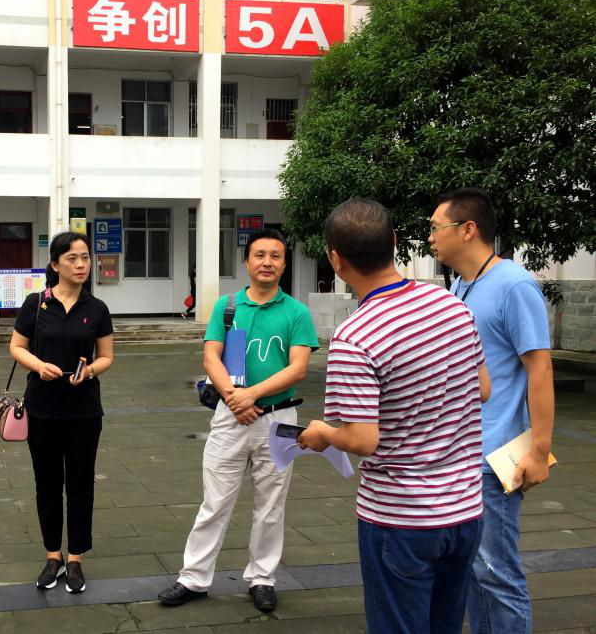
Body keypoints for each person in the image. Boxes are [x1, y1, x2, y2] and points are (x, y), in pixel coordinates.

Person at [299, 198, 490, 634]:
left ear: (335, 259)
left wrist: (324, 432)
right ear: (395, 242)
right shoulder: (452, 305)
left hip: (401, 518)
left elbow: (362, 440)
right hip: (464, 510)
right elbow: (483, 389)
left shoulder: (356, 337)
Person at [159, 229, 318, 613]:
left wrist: (251, 395)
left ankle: (262, 578)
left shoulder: (296, 312)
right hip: (230, 417)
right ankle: (193, 577)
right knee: (214, 501)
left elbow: (298, 368)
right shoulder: (227, 306)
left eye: (275, 256)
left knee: (271, 505)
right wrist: (235, 398)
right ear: (247, 262)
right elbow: (210, 357)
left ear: (284, 263)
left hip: (279, 420)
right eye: (259, 255)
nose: (267, 262)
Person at [429, 188, 554, 633]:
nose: (430, 237)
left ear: (468, 229)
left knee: (496, 573)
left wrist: (539, 451)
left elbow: (539, 369)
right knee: (471, 571)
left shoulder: (514, 285)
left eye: (436, 228)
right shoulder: (461, 285)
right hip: (460, 451)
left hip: (495, 455)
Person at [9, 231, 114, 594]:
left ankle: (76, 558)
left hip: (84, 411)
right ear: (55, 264)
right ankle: (52, 555)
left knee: (81, 486)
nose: (81, 264)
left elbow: (107, 356)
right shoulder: (36, 303)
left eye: (85, 257)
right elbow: (16, 347)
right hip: (42, 409)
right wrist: (38, 365)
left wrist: (91, 371)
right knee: (48, 485)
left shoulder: (96, 308)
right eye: (72, 258)